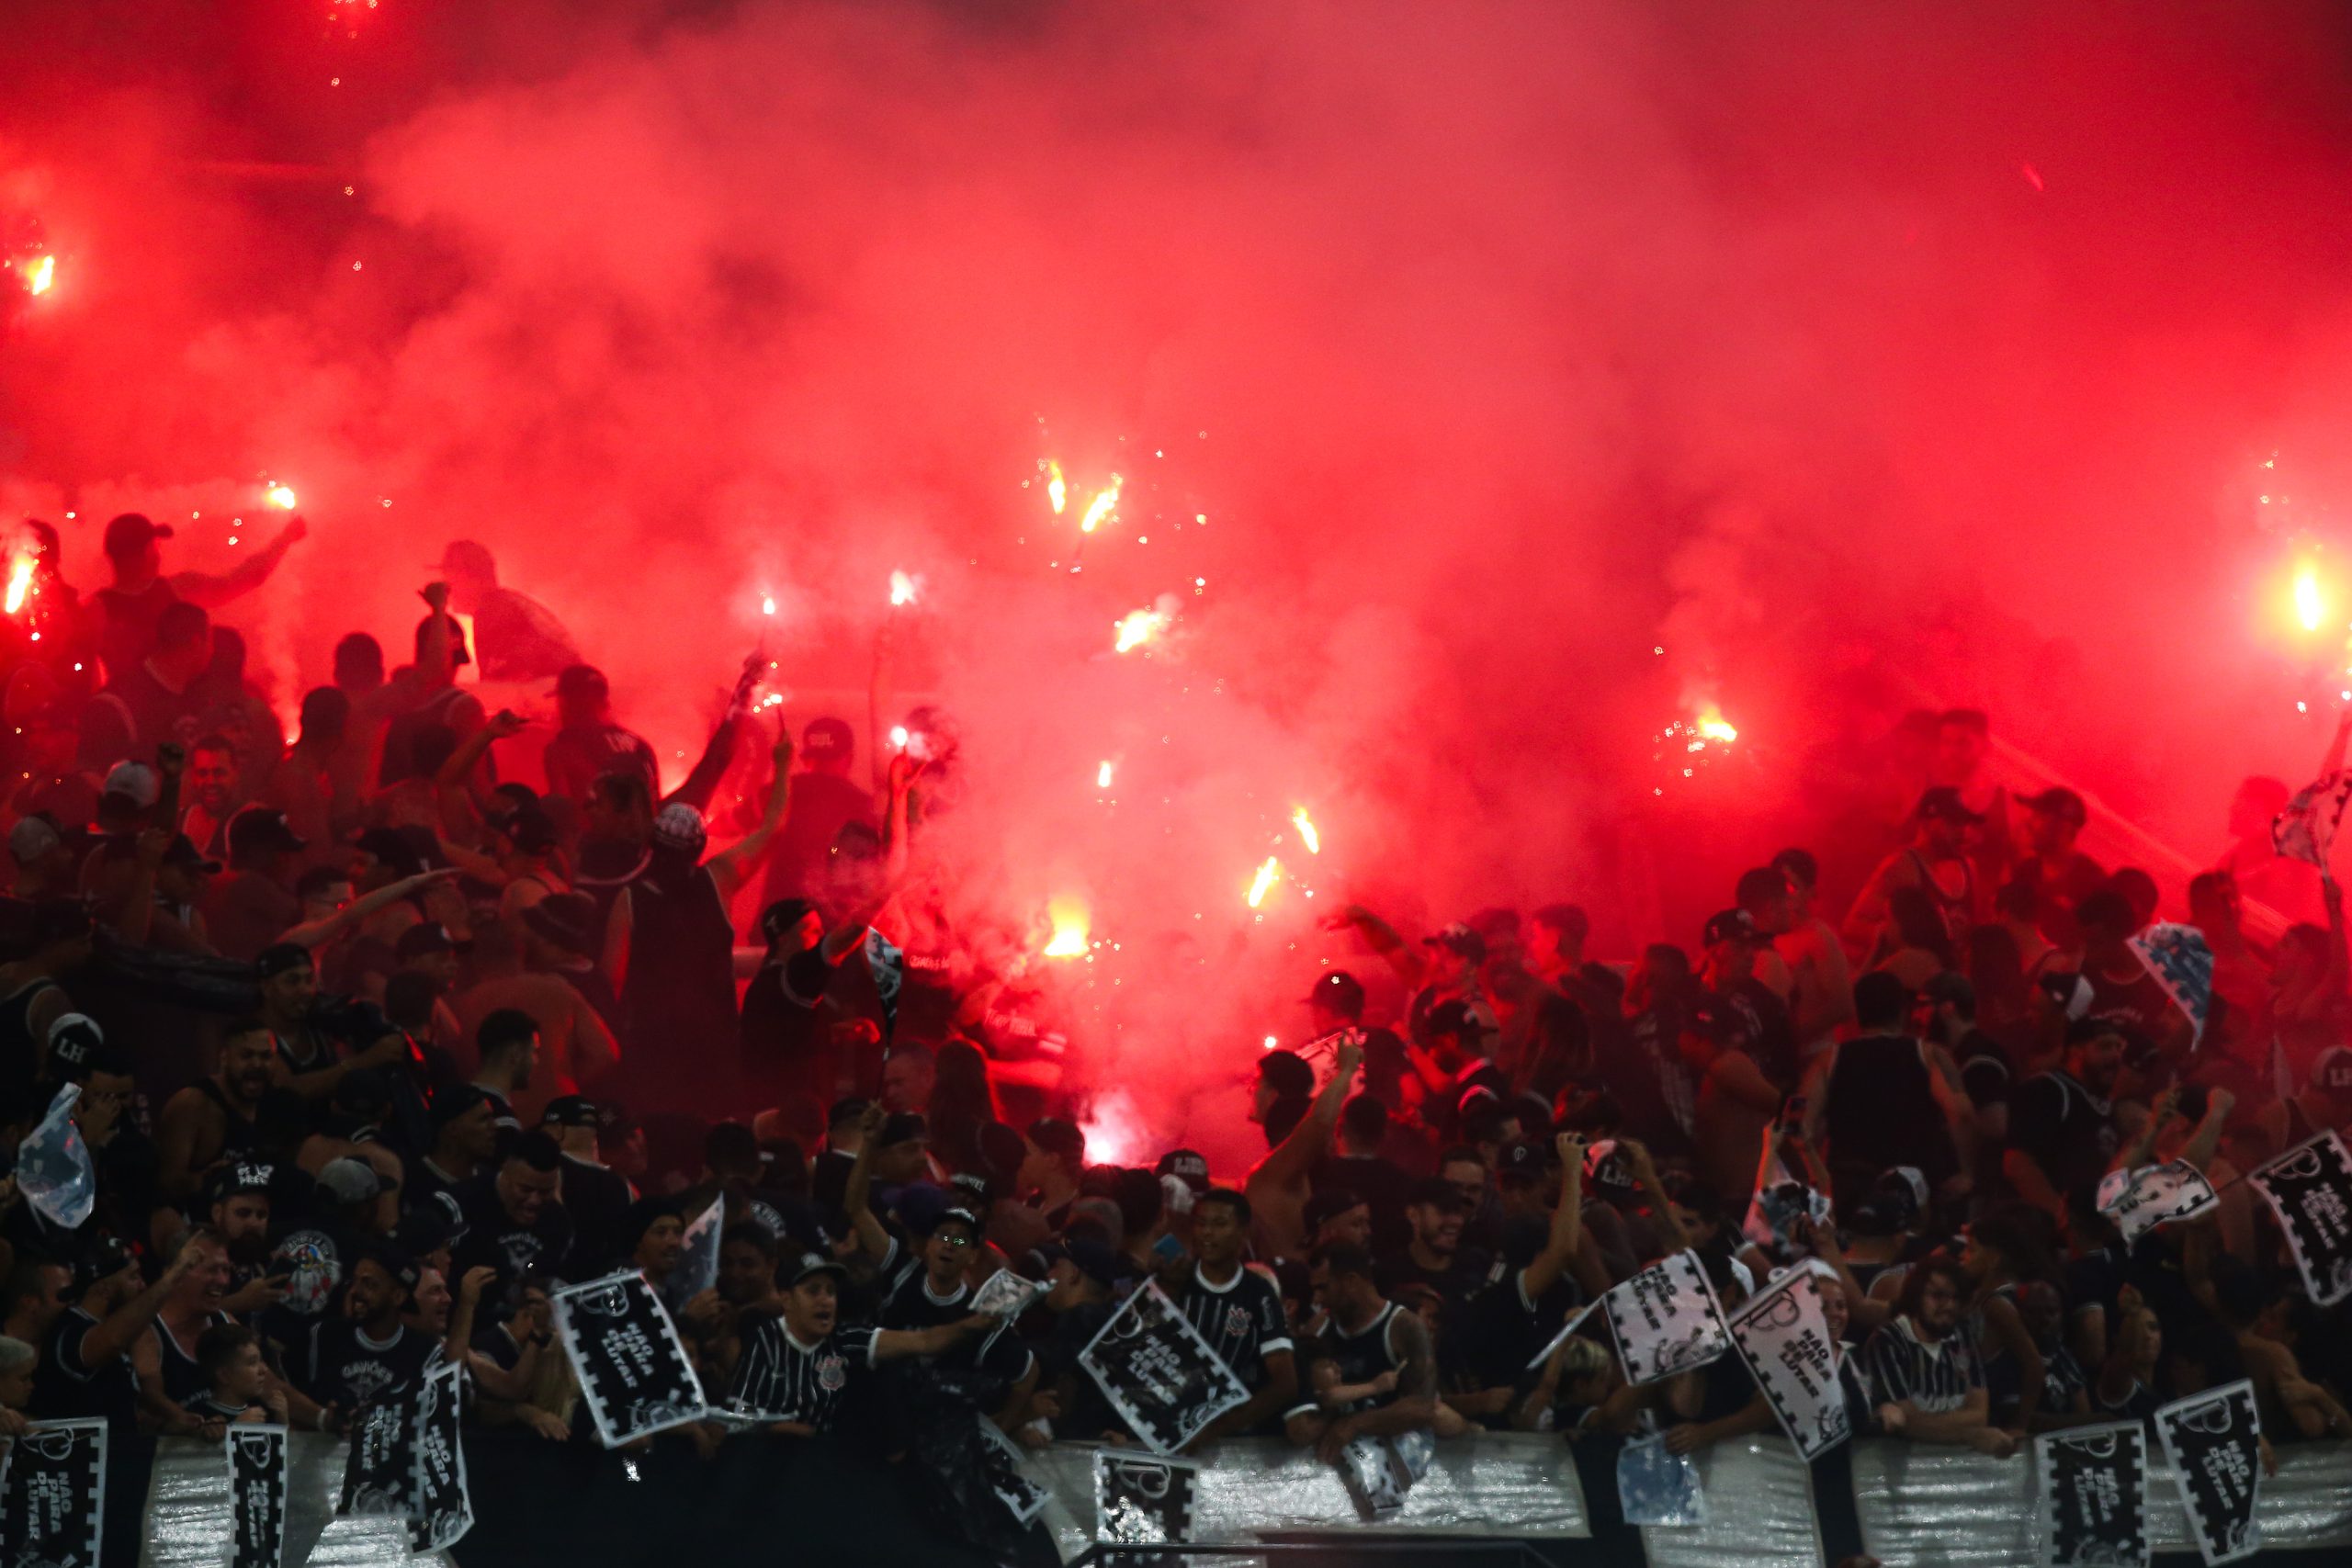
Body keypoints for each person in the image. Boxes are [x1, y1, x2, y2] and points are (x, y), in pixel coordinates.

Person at [607, 724, 796, 1111]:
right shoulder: (718, 881)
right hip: (714, 1050)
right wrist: (783, 765)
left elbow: (610, 982)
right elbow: (773, 828)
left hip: (652, 1052)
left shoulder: (630, 900)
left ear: (654, 843)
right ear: (699, 847)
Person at [721, 1250, 990, 1432]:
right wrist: (780, 1429)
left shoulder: (846, 1340)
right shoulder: (766, 1338)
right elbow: (737, 1413)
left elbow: (923, 1341)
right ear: (787, 1298)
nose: (825, 1299)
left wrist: (975, 1323)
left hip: (814, 1470)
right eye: (813, 1291)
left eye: (830, 1291)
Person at [1803, 973, 1963, 1213]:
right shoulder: (1929, 1055)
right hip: (1915, 1187)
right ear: (1902, 1011)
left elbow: (1796, 1124)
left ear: (1858, 1014)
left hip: (1850, 1189)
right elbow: (1960, 1112)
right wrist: (1964, 1173)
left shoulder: (1827, 1061)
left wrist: (1815, 1176)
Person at [93, 510, 304, 682]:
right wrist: (285, 538)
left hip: (122, 715)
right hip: (175, 717)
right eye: (157, 545)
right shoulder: (177, 591)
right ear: (149, 550)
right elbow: (244, 579)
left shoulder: (95, 610)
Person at [1288, 1243, 1439, 1461]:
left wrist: (1356, 1423)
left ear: (1350, 1282)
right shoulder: (1319, 1327)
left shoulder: (1403, 1326)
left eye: (1324, 1288)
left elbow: (1423, 1407)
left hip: (1396, 1464)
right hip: (1331, 1464)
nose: (1317, 1299)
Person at [1175, 1189, 1299, 1438]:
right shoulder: (1175, 1281)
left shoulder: (1259, 1293)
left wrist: (1218, 1428)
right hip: (1164, 1430)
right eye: (1201, 1223)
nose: (1208, 1232)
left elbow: (1285, 1384)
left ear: (1244, 1232)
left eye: (1220, 1224)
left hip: (1230, 1442)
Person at [1861, 1257, 2014, 1456]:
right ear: (1915, 1296)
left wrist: (1931, 1424)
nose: (1949, 1306)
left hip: (1958, 1467)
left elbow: (1979, 1415)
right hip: (1900, 1468)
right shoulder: (1888, 1341)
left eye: (1955, 1297)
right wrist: (1969, 1434)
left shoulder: (1962, 1335)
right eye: (1938, 1296)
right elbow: (1907, 1422)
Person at [2004, 1018, 2124, 1234]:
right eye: (2105, 1046)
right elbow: (2018, 1164)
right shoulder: (2049, 1090)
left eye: (2119, 1047)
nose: (2116, 1055)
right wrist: (2065, 1222)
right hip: (2035, 1235)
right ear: (2076, 1051)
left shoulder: (2104, 1104)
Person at [1843, 787, 1983, 964]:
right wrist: (1902, 938)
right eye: (1953, 823)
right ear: (1926, 823)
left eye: (1965, 823)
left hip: (1953, 987)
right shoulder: (1903, 866)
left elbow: (1977, 930)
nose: (1962, 832)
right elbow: (1852, 926)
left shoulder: (1968, 867)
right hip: (1915, 985)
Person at [760, 716, 878, 908]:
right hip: (835, 925)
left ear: (805, 757)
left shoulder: (778, 793)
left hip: (776, 923)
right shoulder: (865, 806)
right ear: (849, 757)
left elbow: (728, 824)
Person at [431, 541, 581, 682]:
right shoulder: (509, 605)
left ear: (471, 578)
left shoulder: (493, 611)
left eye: (450, 583)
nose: (447, 593)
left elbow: (504, 687)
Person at [1771, 849, 1854, 1055]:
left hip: (1815, 1055)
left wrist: (1795, 1037)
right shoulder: (1769, 936)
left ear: (1811, 891)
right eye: (1779, 887)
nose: (1786, 895)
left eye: (1793, 887)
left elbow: (1843, 1005)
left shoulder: (1819, 936)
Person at [202, 807, 309, 962]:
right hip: (240, 979)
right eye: (281, 852)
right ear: (255, 851)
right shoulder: (249, 883)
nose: (287, 860)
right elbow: (308, 918)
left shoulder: (220, 877)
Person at [541, 665, 656, 804]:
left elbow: (562, 812)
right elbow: (655, 806)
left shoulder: (560, 750)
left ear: (569, 700)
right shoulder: (640, 745)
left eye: (560, 698)